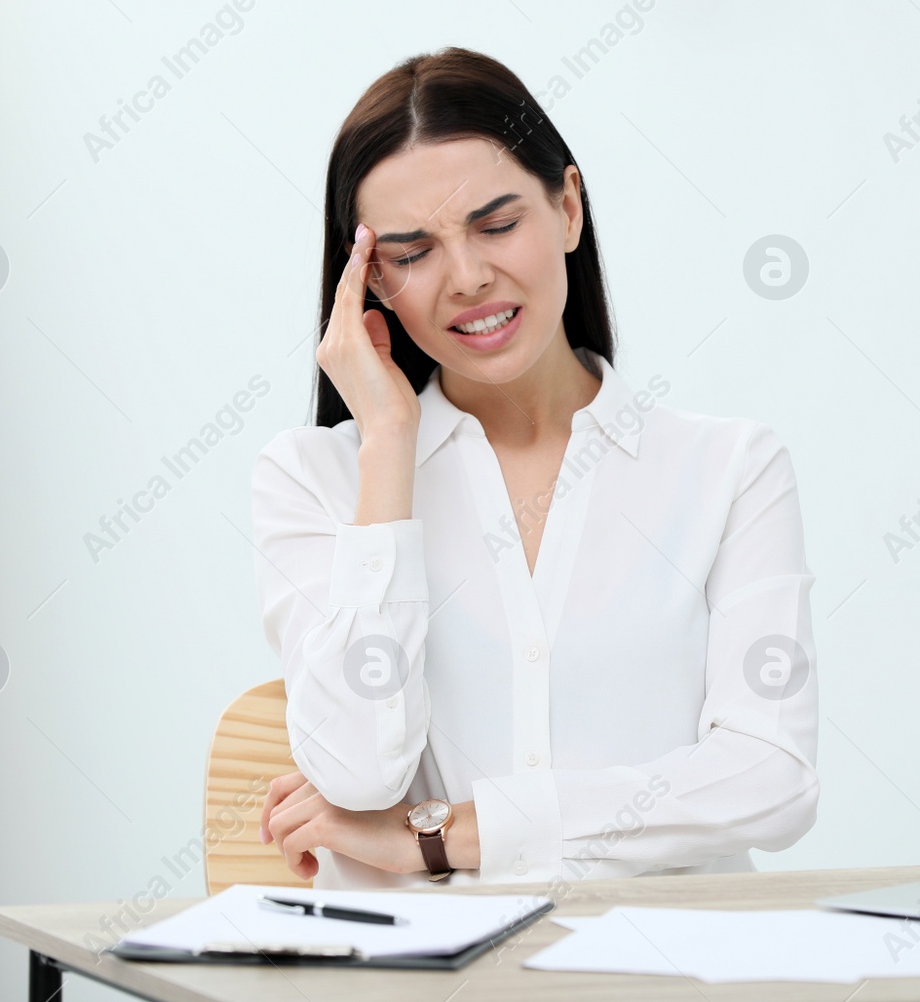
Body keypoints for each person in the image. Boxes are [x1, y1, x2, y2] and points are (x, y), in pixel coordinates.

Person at [251, 46, 818, 889]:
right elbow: (358, 773)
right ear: (367, 282)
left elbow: (770, 779)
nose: (469, 278)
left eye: (496, 223)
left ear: (568, 207)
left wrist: (440, 834)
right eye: (411, 253)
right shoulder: (318, 477)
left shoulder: (729, 468)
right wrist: (388, 445)